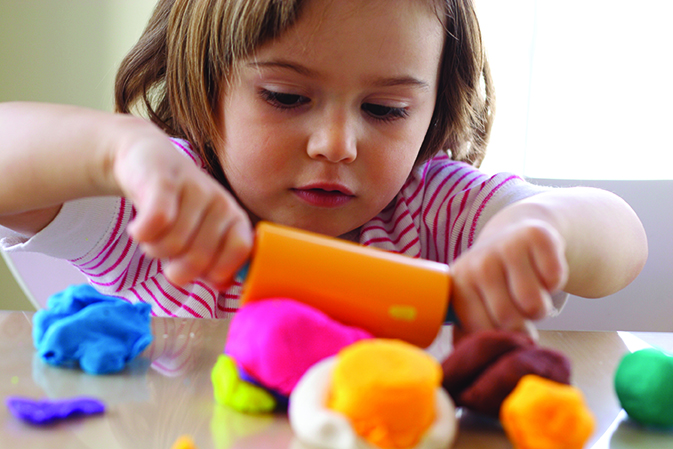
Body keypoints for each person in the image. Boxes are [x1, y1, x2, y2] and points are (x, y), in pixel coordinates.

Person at [0, 0, 647, 338]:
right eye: (286, 97)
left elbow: (624, 239)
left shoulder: (432, 211)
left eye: (385, 108)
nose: (337, 143)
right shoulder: (165, 208)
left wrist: (541, 227)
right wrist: (119, 152)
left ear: (433, 107)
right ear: (206, 85)